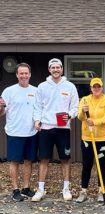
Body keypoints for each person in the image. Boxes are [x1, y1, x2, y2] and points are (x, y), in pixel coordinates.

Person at [32, 58, 79, 202]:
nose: (56, 70)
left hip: (63, 128)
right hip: (46, 127)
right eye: (53, 68)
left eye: (58, 67)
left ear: (62, 69)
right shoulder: (42, 86)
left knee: (65, 159)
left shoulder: (70, 86)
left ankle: (66, 189)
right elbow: (37, 106)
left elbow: (75, 106)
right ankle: (40, 189)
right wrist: (37, 120)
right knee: (44, 159)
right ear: (49, 70)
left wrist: (70, 115)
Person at [0, 63, 37, 201]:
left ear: (30, 74)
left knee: (29, 161)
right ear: (17, 75)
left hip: (32, 132)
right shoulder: (9, 91)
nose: (24, 76)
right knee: (14, 161)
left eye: (26, 73)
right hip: (14, 132)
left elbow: (38, 110)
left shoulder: (36, 91)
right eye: (21, 73)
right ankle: (15, 190)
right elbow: (2, 112)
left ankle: (26, 188)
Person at [76, 77, 105, 203]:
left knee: (101, 165)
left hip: (103, 139)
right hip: (87, 138)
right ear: (91, 88)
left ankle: (100, 191)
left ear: (102, 87)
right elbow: (80, 118)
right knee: (86, 164)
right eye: (94, 87)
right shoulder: (85, 100)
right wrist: (83, 111)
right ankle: (83, 191)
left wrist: (94, 122)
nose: (96, 89)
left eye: (99, 86)